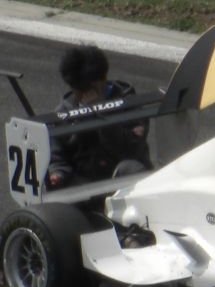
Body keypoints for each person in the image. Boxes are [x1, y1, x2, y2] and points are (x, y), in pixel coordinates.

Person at [47, 45, 152, 188]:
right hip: (85, 182)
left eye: (87, 88)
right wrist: (58, 170)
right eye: (77, 89)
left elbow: (129, 149)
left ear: (101, 80)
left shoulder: (129, 105)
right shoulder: (65, 111)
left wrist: (100, 112)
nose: (83, 95)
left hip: (122, 178)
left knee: (130, 167)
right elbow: (55, 147)